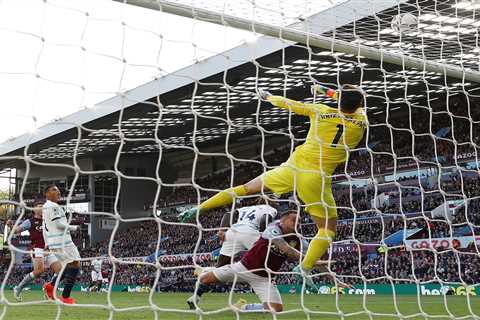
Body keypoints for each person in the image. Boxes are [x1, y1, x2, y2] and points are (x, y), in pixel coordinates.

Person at [179, 84, 366, 280]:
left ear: (339, 100)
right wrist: (325, 90)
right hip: (315, 177)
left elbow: (289, 104)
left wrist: (268, 96)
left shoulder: (320, 110)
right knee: (326, 229)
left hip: (291, 168)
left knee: (244, 189)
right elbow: (349, 99)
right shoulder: (362, 121)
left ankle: (199, 208)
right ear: (359, 103)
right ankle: (304, 268)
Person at [196, 210, 329, 312]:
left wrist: (334, 279)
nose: (297, 223)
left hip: (264, 278)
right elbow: (285, 248)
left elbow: (313, 258)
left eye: (299, 221)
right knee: (205, 279)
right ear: (282, 220)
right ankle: (204, 273)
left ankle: (243, 307)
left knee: (276, 309)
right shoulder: (273, 229)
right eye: (294, 220)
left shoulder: (299, 240)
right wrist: (309, 260)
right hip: (243, 268)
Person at [186, 199, 277, 309]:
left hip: (232, 232)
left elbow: (228, 214)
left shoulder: (247, 208)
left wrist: (222, 230)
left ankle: (195, 297)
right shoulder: (271, 209)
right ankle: (264, 295)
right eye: (275, 201)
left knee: (220, 269)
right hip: (250, 232)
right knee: (265, 259)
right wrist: (263, 235)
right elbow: (265, 219)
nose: (277, 203)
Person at [7, 200, 62, 301]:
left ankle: (48, 289)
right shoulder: (30, 221)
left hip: (49, 249)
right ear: (34, 209)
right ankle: (18, 288)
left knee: (61, 270)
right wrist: (11, 225)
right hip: (37, 248)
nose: (42, 208)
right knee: (39, 271)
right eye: (40, 206)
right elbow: (17, 230)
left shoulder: (48, 220)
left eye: (43, 206)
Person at [42, 185, 81, 304]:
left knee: (67, 265)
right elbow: (58, 224)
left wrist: (47, 242)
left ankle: (51, 286)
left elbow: (45, 227)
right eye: (54, 190)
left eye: (58, 190)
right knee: (75, 264)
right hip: (62, 241)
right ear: (47, 194)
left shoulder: (46, 207)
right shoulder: (52, 206)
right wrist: (74, 227)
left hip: (54, 241)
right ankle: (65, 296)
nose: (58, 192)